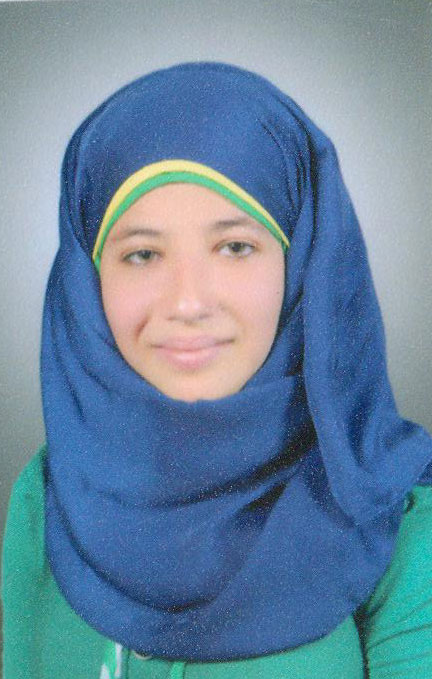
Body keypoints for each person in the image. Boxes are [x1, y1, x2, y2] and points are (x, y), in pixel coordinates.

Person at [2, 61, 432, 679]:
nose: (187, 302)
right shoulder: (50, 497)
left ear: (303, 263)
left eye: (235, 247)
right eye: (142, 254)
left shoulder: (394, 514)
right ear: (88, 280)